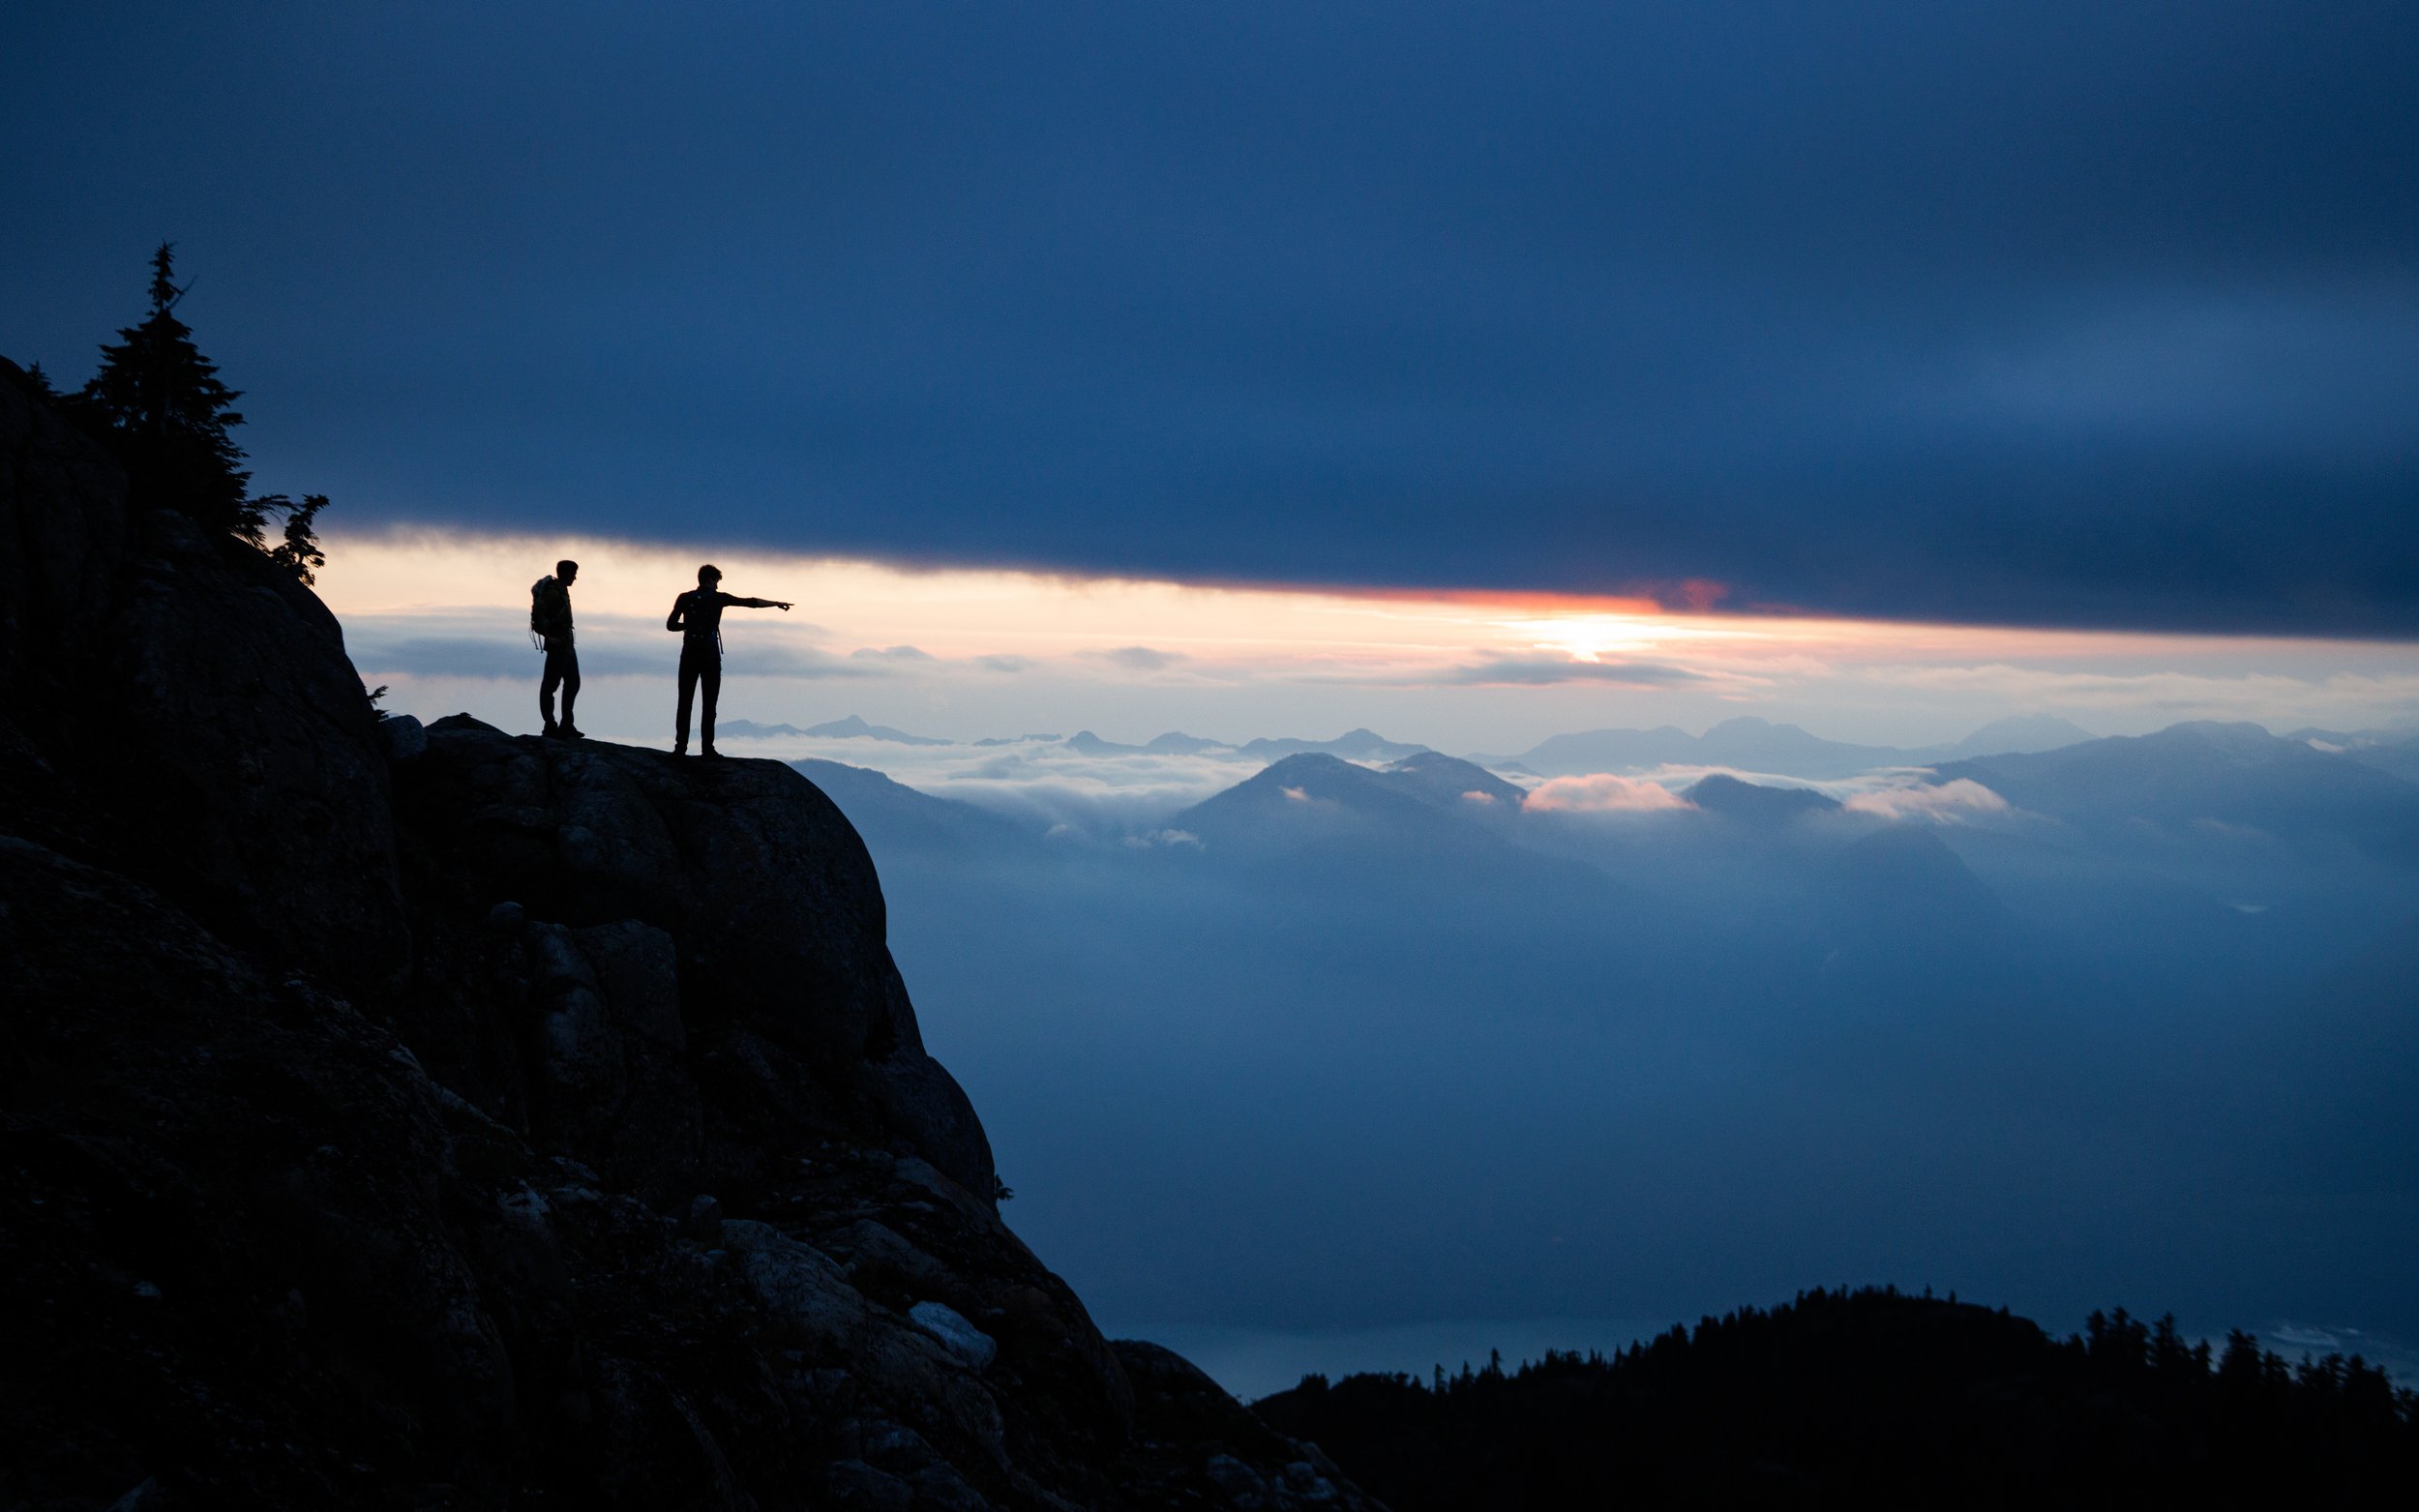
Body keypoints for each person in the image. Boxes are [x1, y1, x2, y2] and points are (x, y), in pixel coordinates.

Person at [667, 564, 791, 756]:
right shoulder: (719, 598)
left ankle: (680, 748)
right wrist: (775, 603)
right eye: (716, 581)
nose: (717, 586)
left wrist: (689, 626)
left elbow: (670, 625)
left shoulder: (684, 598)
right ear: (710, 580)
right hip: (710, 655)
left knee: (685, 702)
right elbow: (750, 602)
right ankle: (707, 749)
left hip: (689, 654)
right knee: (710, 704)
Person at [531, 558, 582, 738]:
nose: (575, 578)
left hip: (566, 645)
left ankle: (566, 725)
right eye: (573, 574)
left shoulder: (562, 591)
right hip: (558, 645)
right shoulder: (553, 593)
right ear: (566, 574)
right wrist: (550, 638)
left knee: (573, 683)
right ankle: (551, 725)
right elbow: (537, 618)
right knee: (551, 686)